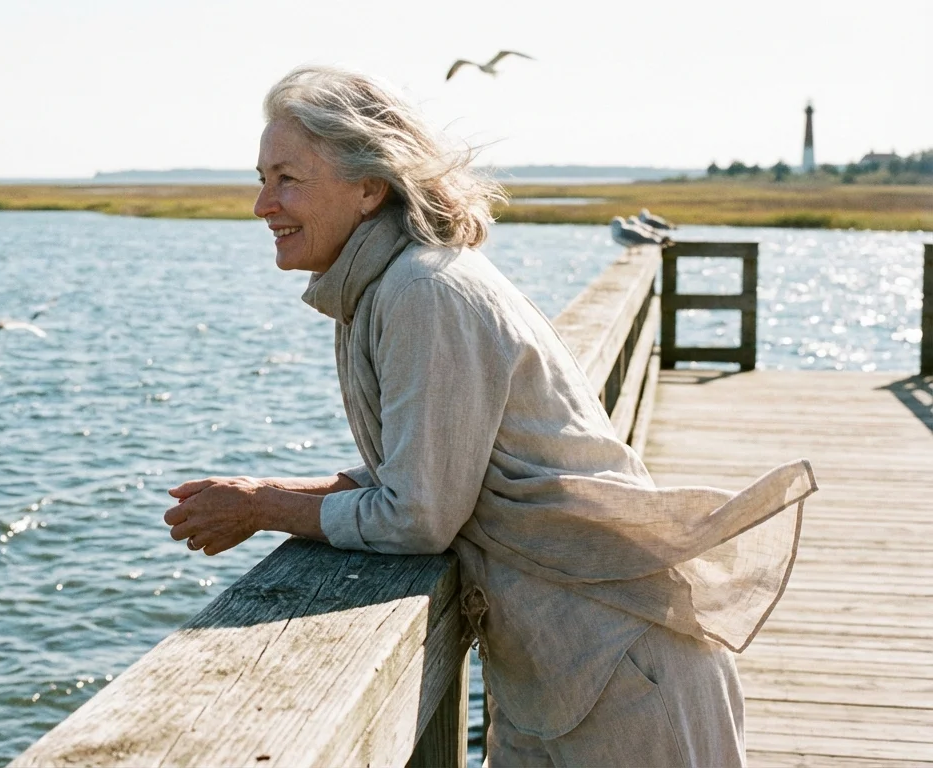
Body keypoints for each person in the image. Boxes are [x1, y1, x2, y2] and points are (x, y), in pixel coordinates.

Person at [162, 65, 816, 767]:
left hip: (621, 669)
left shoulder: (423, 290)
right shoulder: (384, 285)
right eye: (260, 178)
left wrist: (265, 508)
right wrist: (267, 494)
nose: (263, 203)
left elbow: (418, 515)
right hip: (559, 670)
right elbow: (426, 471)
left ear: (368, 186)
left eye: (286, 177)